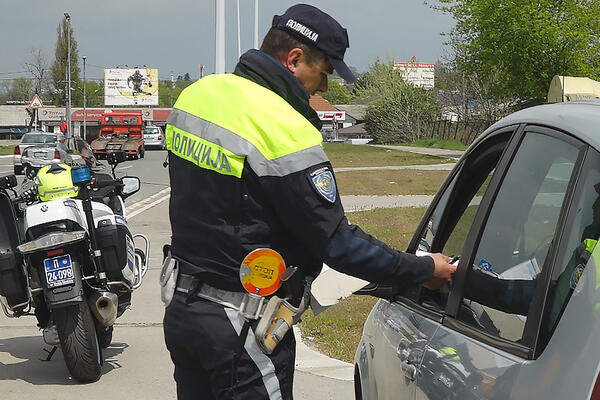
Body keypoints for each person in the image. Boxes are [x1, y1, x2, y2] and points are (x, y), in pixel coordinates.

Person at [162, 4, 456, 399]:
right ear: (295, 59)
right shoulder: (284, 127)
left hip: (183, 310)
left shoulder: (198, 95)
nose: (325, 88)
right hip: (241, 327)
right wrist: (422, 268)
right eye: (325, 73)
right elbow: (337, 242)